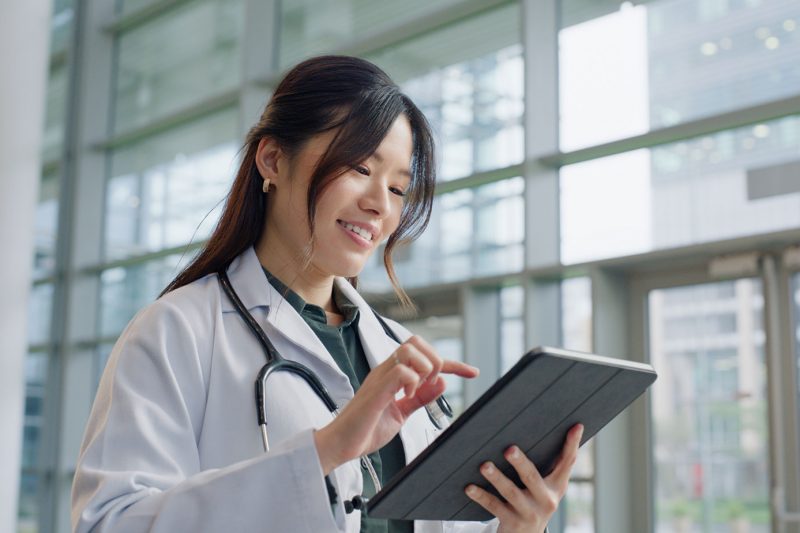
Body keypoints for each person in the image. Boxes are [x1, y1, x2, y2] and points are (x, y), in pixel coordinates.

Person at [71, 55, 583, 533]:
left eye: (399, 188)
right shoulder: (178, 330)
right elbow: (110, 521)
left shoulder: (397, 349)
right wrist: (324, 450)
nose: (380, 204)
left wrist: (517, 525)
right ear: (272, 160)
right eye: (360, 167)